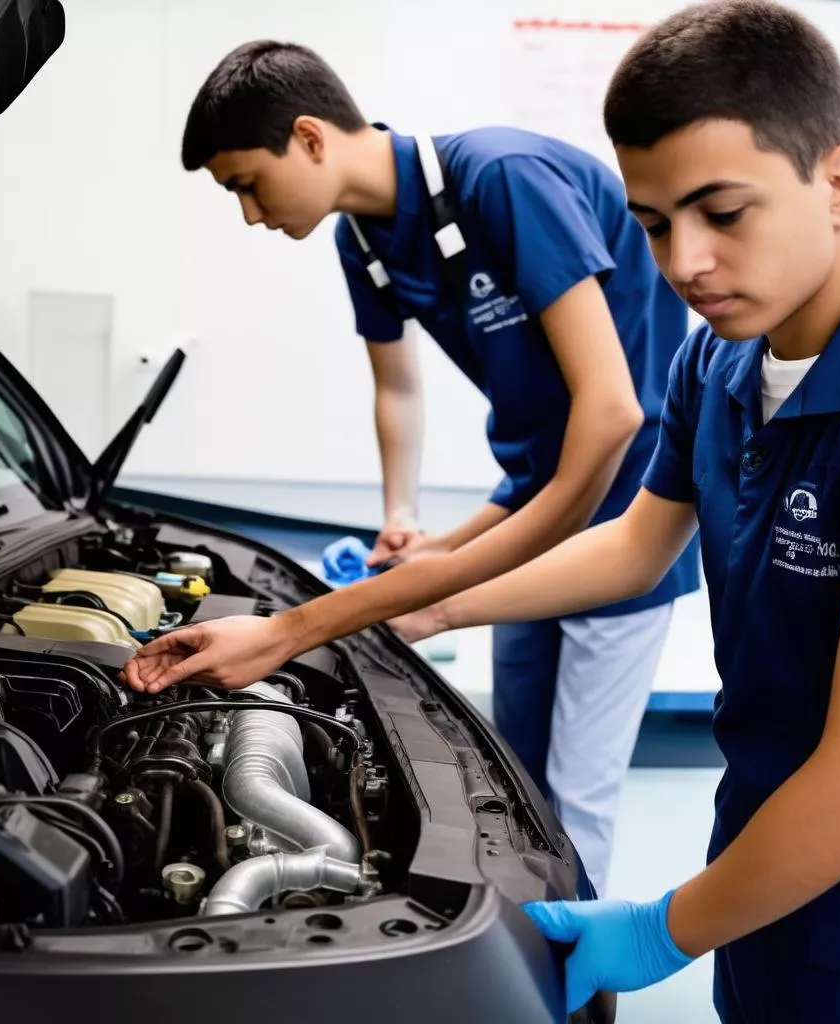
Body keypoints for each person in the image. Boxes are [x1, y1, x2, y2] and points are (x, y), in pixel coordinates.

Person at [127, 2, 840, 1019]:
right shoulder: (717, 358)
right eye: (651, 226)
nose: (683, 264)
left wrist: (659, 928)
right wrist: (421, 607)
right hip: (761, 853)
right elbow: (636, 543)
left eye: (722, 213)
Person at [174, 40, 699, 893]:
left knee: (577, 791)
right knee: (519, 775)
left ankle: (569, 992)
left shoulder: (503, 176)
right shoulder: (365, 245)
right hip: (537, 505)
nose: (249, 213)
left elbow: (611, 415)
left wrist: (443, 590)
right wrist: (407, 524)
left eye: (245, 183)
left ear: (309, 138)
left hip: (628, 519)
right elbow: (398, 389)